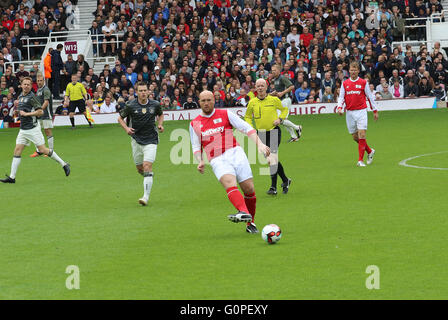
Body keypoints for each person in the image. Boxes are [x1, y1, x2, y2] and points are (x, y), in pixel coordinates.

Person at [190, 90, 270, 234]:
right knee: (229, 182)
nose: (206, 103)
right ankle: (243, 211)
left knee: (249, 189)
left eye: (209, 100)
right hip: (216, 158)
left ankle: (250, 223)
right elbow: (196, 146)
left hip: (236, 152)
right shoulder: (194, 123)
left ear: (214, 100)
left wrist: (260, 145)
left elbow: (246, 128)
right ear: (199, 102)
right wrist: (200, 160)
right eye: (203, 101)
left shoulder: (225, 114)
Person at [1, 77, 70, 184]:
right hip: (23, 129)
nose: (26, 86)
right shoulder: (20, 96)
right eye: (25, 84)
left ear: (30, 86)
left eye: (28, 84)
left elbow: (40, 112)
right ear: (21, 85)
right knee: (17, 150)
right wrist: (19, 112)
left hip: (33, 129)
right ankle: (12, 177)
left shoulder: (32, 97)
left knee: (43, 150)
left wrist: (27, 114)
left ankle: (64, 164)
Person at [117, 81, 164, 206]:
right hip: (136, 140)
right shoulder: (130, 105)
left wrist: (160, 124)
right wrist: (126, 129)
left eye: (145, 90)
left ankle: (145, 197)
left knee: (147, 165)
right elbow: (120, 118)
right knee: (140, 168)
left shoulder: (155, 104)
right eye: (141, 91)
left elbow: (160, 114)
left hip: (151, 140)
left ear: (149, 91)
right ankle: (149, 178)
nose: (143, 93)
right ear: (136, 92)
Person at [244, 79, 291, 196]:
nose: (260, 88)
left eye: (262, 86)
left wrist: (280, 119)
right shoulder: (252, 102)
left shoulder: (273, 100)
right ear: (255, 88)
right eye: (258, 86)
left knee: (272, 158)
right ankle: (285, 180)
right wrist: (250, 128)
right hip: (261, 134)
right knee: (271, 161)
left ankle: (273, 187)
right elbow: (248, 117)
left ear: (266, 87)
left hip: (274, 131)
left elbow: (285, 109)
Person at [337, 62, 379, 167]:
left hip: (361, 111)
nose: (353, 72)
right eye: (351, 70)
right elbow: (341, 97)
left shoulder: (363, 82)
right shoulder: (345, 83)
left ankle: (360, 160)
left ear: (358, 71)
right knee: (355, 137)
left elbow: (369, 97)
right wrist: (339, 107)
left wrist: (375, 111)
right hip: (350, 113)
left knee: (362, 134)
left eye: (355, 70)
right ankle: (369, 151)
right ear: (349, 71)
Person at [269, 64, 303, 142]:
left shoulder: (282, 78)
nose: (273, 72)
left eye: (274, 70)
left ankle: (297, 127)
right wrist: (272, 94)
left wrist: (282, 93)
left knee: (280, 120)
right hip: (280, 101)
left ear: (278, 70)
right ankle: (294, 136)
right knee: (282, 120)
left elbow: (292, 86)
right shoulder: (275, 79)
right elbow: (278, 90)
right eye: (272, 70)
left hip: (285, 100)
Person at [30, 73, 54, 157]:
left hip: (46, 114)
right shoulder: (38, 90)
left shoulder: (46, 89)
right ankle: (39, 150)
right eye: (38, 81)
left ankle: (50, 151)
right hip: (40, 115)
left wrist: (39, 110)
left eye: (41, 80)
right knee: (37, 132)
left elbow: (46, 102)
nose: (39, 82)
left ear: (44, 81)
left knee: (47, 131)